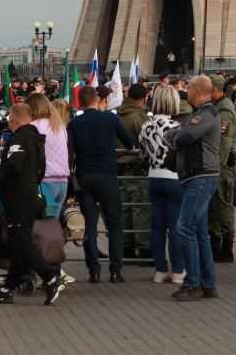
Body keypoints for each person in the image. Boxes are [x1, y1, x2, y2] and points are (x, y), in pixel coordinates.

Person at [0, 103, 65, 305]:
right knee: (18, 243)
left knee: (20, 242)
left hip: (19, 198)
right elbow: (41, 169)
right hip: (30, 195)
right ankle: (8, 287)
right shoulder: (36, 139)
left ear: (11, 119)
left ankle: (51, 278)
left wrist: (2, 185)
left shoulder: (20, 138)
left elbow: (13, 165)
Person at [66, 84, 132, 283]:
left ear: (80, 102)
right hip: (107, 175)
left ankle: (93, 271)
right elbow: (128, 143)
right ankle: (115, 271)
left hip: (85, 176)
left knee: (90, 226)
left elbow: (71, 151)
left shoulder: (75, 124)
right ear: (96, 99)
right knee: (114, 224)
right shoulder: (110, 118)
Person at [169, 75, 221, 300]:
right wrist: (177, 134)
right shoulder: (199, 113)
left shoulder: (206, 113)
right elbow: (177, 134)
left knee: (185, 227)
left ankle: (193, 282)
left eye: (188, 88)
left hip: (201, 176)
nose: (185, 91)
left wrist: (177, 134)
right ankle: (207, 283)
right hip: (196, 176)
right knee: (199, 232)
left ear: (198, 91)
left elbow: (182, 137)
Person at [137, 85, 185, 285]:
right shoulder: (178, 126)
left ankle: (160, 270)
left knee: (157, 228)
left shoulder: (145, 126)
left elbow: (141, 155)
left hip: (154, 177)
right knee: (175, 228)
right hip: (174, 178)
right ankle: (178, 271)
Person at [207, 75, 236, 264]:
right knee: (214, 208)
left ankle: (226, 249)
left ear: (214, 90)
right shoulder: (220, 106)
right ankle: (217, 247)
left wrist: (214, 168)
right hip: (220, 166)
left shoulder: (224, 110)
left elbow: (223, 144)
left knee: (223, 208)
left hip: (223, 167)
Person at [115, 83, 151, 261]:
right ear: (143, 99)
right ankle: (144, 249)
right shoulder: (139, 118)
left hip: (122, 169)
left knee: (126, 210)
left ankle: (126, 247)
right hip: (138, 170)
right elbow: (146, 143)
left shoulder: (119, 114)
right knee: (141, 209)